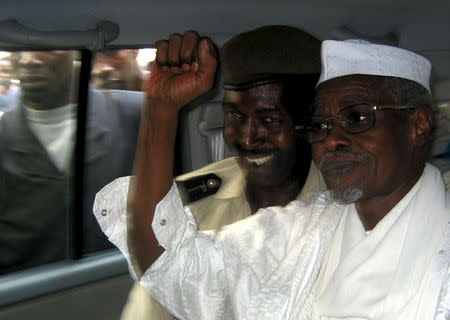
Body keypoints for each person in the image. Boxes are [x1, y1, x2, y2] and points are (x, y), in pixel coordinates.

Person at [94, 36, 449, 319]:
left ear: (418, 124)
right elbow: (170, 262)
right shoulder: (309, 228)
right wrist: (160, 109)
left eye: (357, 118)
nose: (332, 139)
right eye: (321, 125)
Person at [120, 25, 326, 320]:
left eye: (270, 119)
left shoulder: (342, 209)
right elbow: (152, 279)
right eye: (235, 115)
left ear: (310, 122)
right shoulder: (194, 197)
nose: (247, 138)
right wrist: (160, 108)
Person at [0, 51, 143, 274]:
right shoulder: (4, 136)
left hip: (121, 285)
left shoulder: (136, 114)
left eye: (46, 48)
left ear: (73, 50)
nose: (28, 59)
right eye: (19, 49)